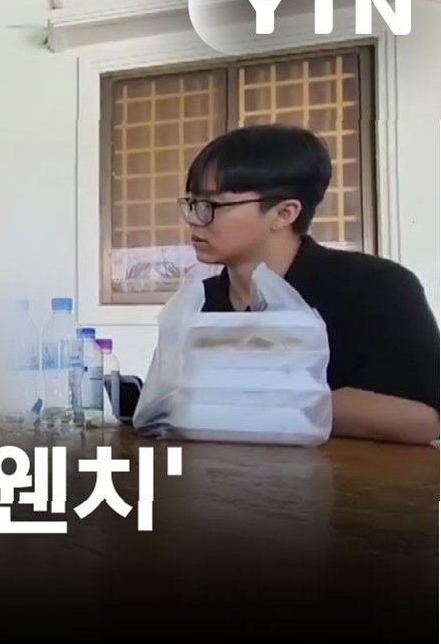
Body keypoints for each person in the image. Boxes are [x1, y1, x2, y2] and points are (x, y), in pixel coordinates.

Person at [181, 124, 439, 445]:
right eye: (192, 203)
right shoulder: (199, 301)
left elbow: (423, 417)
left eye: (211, 206)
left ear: (284, 213)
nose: (193, 218)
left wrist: (260, 401)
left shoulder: (377, 287)